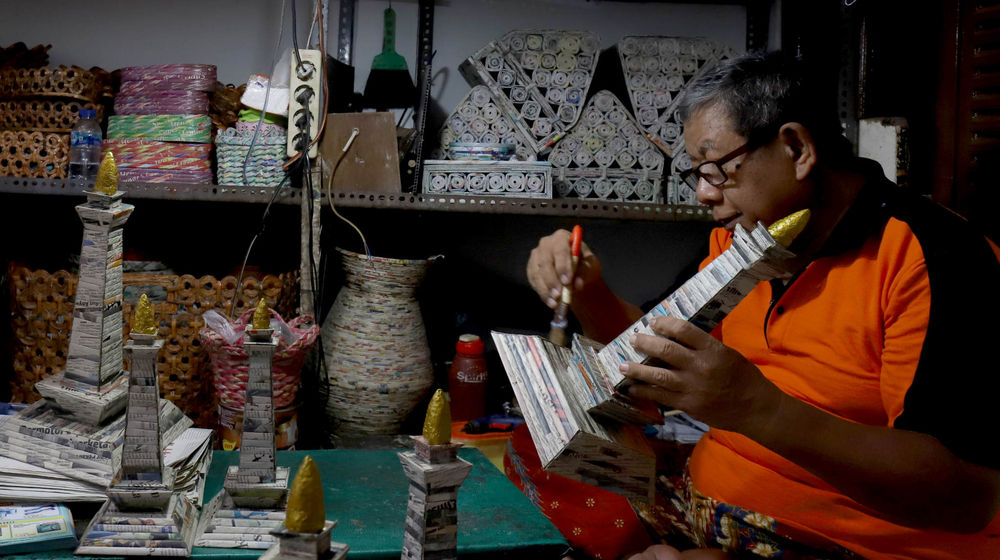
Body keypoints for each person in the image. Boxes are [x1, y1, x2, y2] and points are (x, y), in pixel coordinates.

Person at [525, 51, 1000, 559]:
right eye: (696, 174)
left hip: (842, 543)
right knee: (534, 456)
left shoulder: (932, 257)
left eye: (716, 169)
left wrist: (756, 408)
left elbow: (966, 498)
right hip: (712, 504)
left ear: (796, 148)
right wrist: (588, 289)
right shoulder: (744, 239)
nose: (704, 194)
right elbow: (654, 353)